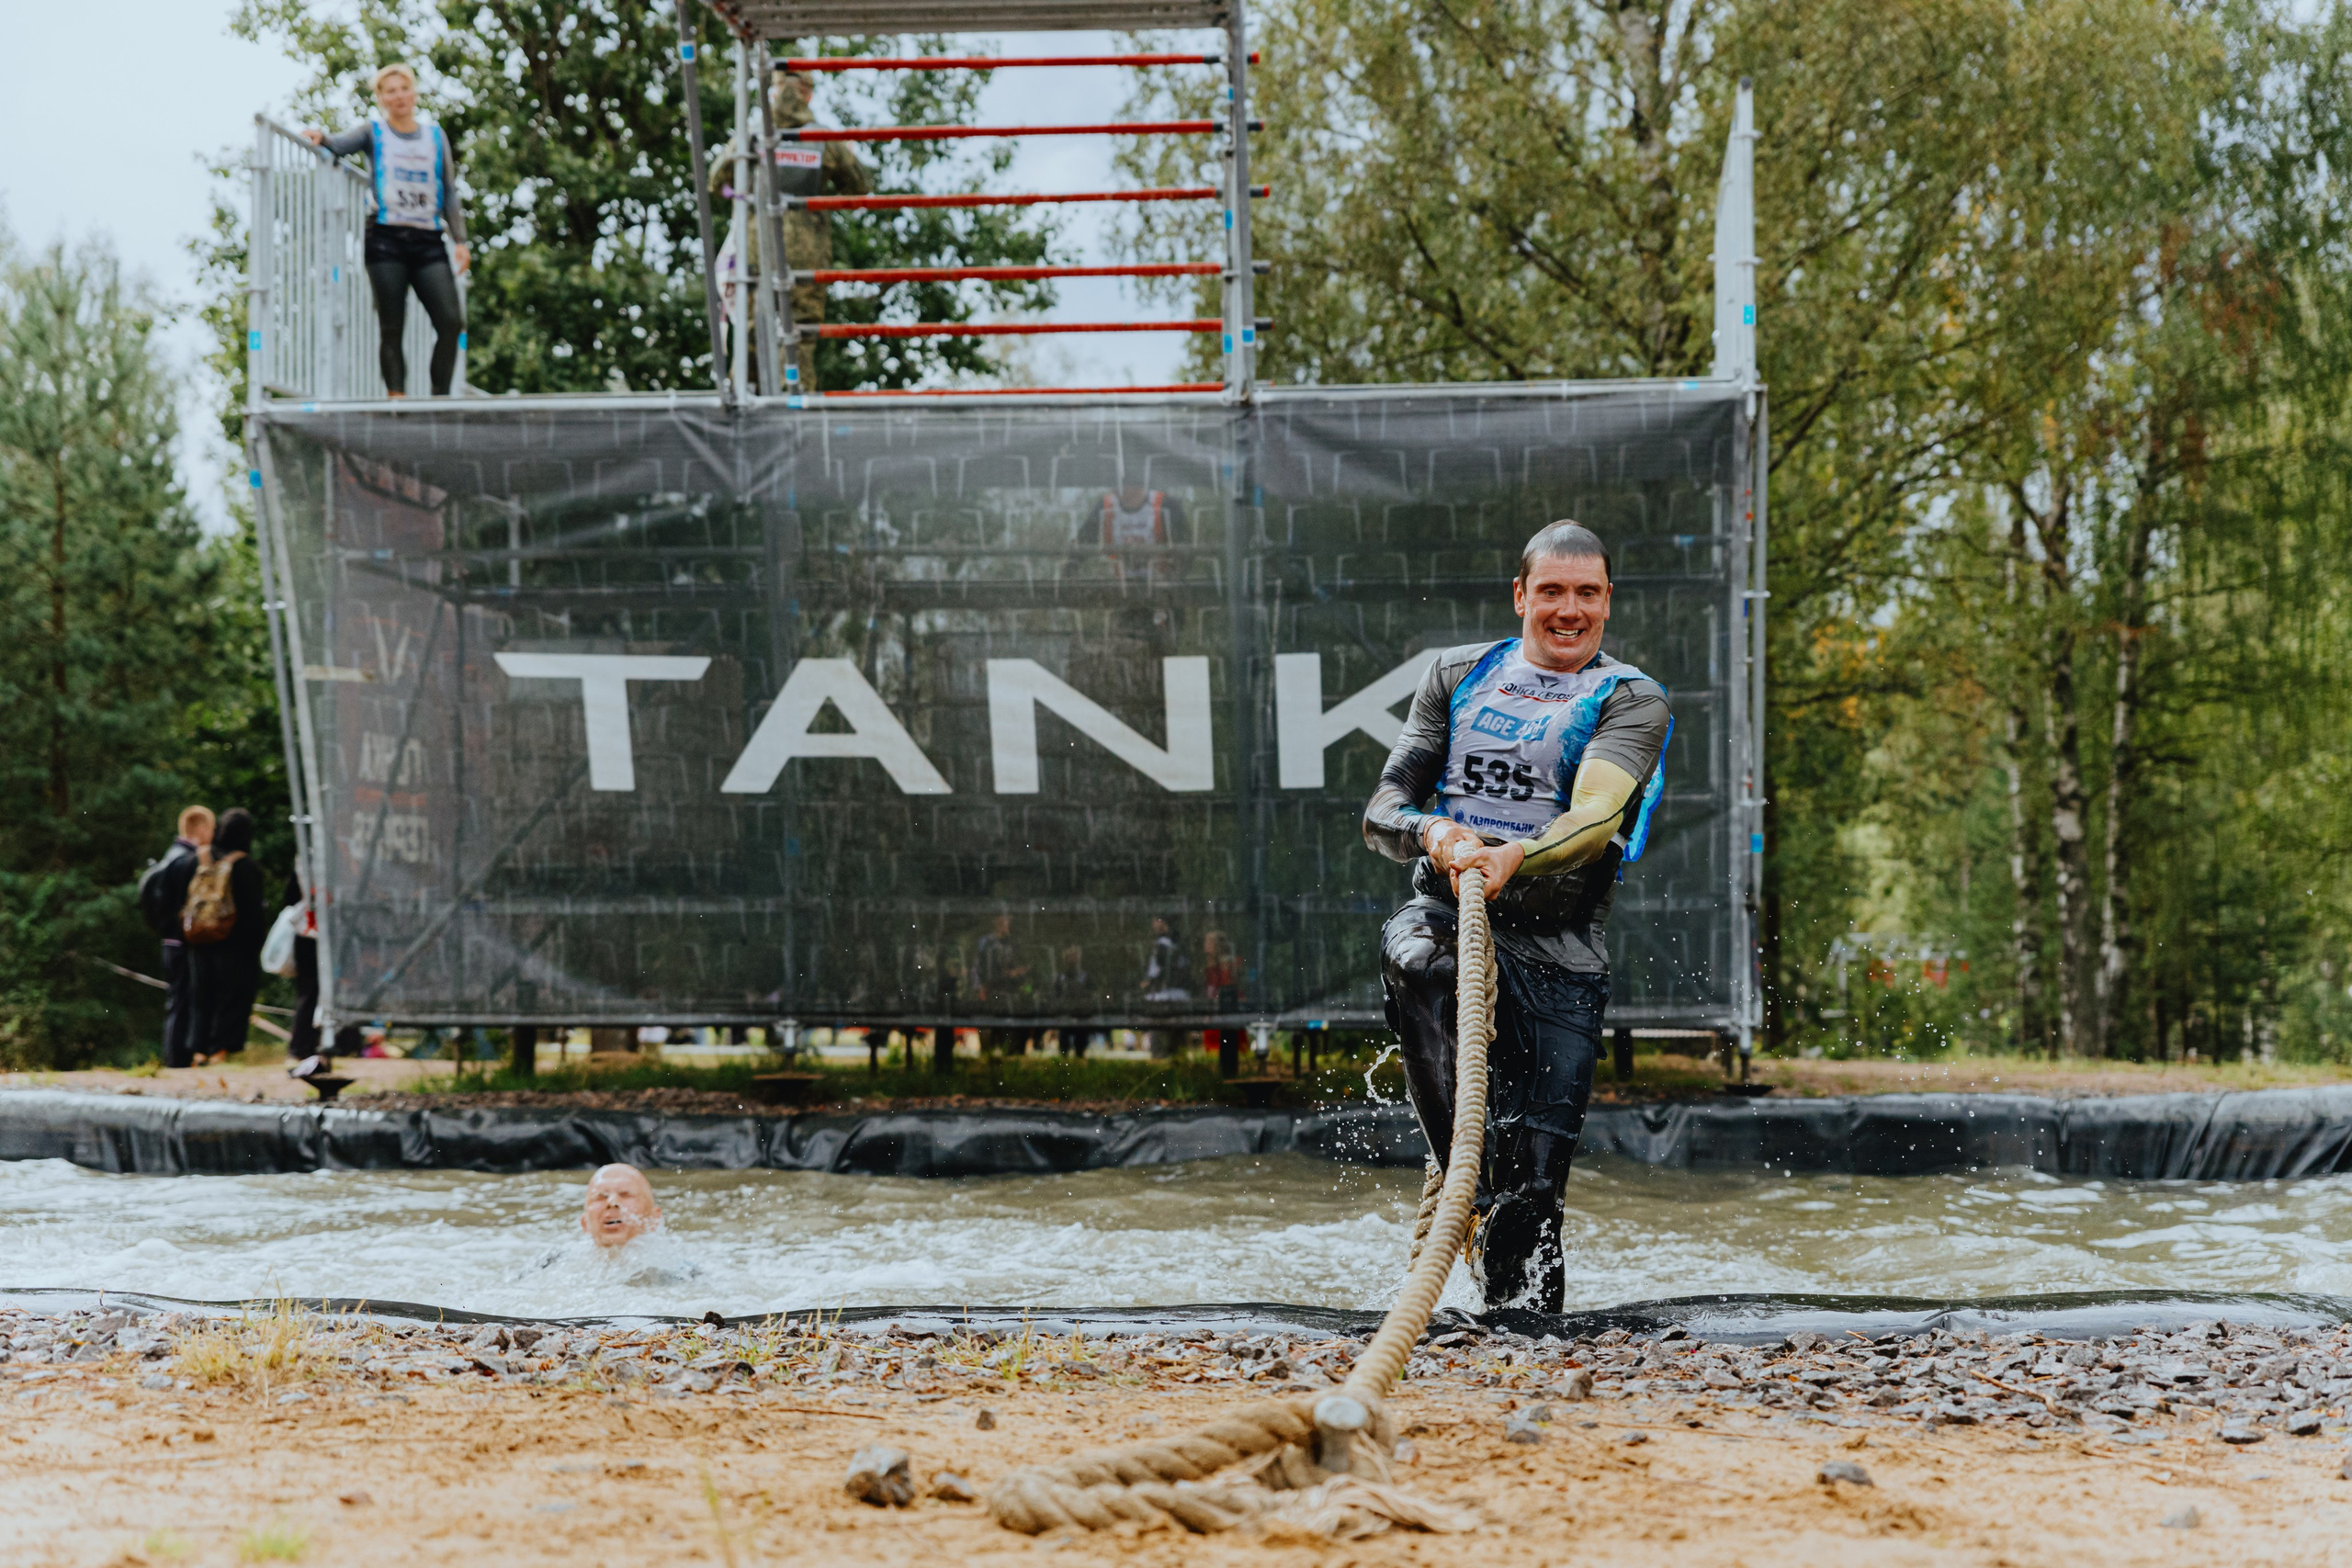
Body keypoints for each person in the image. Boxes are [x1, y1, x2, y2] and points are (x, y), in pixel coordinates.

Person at [1363, 521, 1672, 1312]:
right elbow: (1384, 808)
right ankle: (1470, 1178)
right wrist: (1434, 830)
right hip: (1446, 910)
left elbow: (1597, 815)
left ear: (1607, 600)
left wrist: (1514, 856)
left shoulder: (1632, 698)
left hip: (1562, 950)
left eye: (1587, 593)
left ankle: (1529, 1353)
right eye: (1552, 592)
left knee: (1531, 1215)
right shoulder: (1457, 673)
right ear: (1521, 596)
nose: (1569, 610)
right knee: (1418, 964)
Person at [303, 64, 471, 397]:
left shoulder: (435, 136)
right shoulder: (373, 132)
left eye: (403, 88)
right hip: (385, 240)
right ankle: (398, 398)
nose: (399, 96)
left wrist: (460, 240)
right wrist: (322, 138)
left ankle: (439, 398)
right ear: (381, 98)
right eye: (390, 91)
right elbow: (338, 145)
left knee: (451, 322)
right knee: (392, 326)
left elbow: (448, 190)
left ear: (414, 93)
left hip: (428, 240)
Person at [708, 65, 872, 391]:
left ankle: (745, 405)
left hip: (757, 248)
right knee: (801, 334)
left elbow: (715, 181)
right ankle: (797, 401)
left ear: (773, 91)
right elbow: (860, 186)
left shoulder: (751, 135)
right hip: (807, 254)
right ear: (808, 94)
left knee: (752, 330)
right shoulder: (823, 139)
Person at [184, 808, 269, 1066]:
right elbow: (253, 912)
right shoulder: (244, 865)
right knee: (230, 996)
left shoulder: (199, 858)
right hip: (235, 944)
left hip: (199, 940)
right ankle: (220, 1049)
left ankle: (198, 1051)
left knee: (201, 995)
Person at [139, 806, 212, 1068]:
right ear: (201, 829)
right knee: (182, 999)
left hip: (169, 939)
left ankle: (176, 1056)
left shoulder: (170, 857)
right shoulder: (187, 860)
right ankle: (178, 1058)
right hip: (182, 940)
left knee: (177, 999)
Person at [280, 871, 321, 1060]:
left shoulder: (306, 865)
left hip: (312, 936)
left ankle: (308, 1045)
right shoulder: (309, 865)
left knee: (309, 992)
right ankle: (302, 1046)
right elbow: (290, 898)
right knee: (310, 991)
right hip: (310, 935)